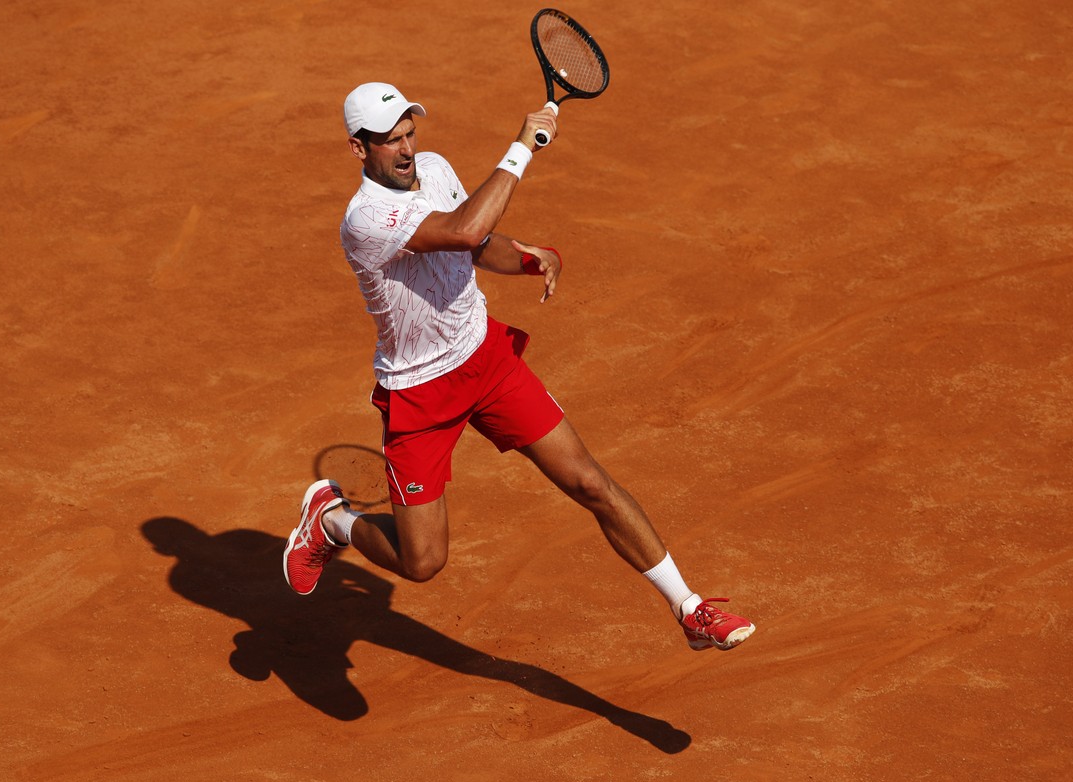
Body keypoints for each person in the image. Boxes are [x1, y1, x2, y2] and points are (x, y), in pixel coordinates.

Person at [283, 81, 755, 652]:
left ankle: (690, 607)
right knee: (423, 561)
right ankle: (332, 520)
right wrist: (522, 147)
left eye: (410, 134)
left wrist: (527, 256)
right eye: (389, 142)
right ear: (360, 149)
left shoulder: (432, 168)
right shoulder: (366, 219)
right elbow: (462, 229)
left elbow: (475, 246)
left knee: (589, 480)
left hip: (486, 361)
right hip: (419, 392)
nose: (406, 150)